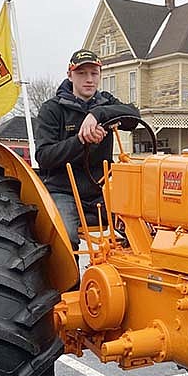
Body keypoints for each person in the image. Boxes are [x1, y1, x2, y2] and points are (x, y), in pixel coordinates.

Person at [36, 49, 140, 249]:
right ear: (70, 75)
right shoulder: (52, 109)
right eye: (82, 73)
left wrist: (98, 113)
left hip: (102, 191)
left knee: (144, 226)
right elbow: (44, 157)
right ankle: (69, 281)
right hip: (64, 191)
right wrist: (81, 140)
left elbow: (134, 117)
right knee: (64, 236)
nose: (89, 79)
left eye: (94, 73)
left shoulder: (106, 102)